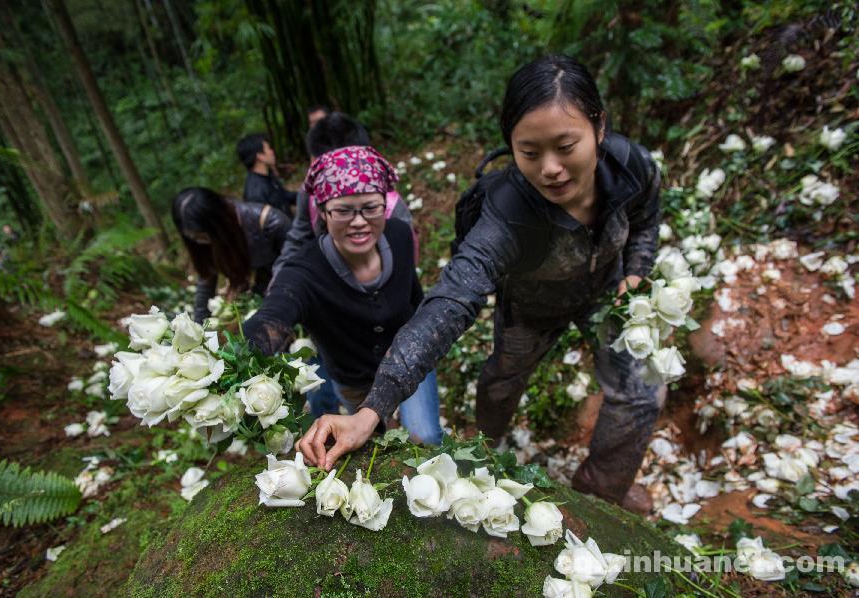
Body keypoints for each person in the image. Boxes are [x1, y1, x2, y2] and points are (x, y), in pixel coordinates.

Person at [297, 54, 663, 514]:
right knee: (501, 383)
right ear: (511, 145)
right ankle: (490, 445)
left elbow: (646, 219)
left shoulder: (632, 167)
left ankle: (603, 488)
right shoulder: (506, 216)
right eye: (529, 152)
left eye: (566, 146)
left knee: (643, 389)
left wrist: (635, 271)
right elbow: (448, 304)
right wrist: (372, 409)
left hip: (609, 294)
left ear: (600, 128)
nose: (550, 168)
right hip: (531, 310)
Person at [242, 146, 443, 445]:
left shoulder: (399, 236)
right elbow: (278, 308)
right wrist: (255, 345)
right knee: (374, 443)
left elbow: (415, 299)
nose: (359, 221)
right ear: (323, 212)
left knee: (424, 437)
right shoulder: (306, 270)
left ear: (384, 205)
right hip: (354, 379)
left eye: (370, 208)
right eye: (344, 210)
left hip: (410, 358)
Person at [272, 111, 416, 278]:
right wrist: (280, 280)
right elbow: (298, 239)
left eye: (369, 208)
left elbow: (405, 269)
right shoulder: (310, 193)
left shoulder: (393, 212)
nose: (358, 221)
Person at [172, 187, 291, 324]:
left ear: (218, 224)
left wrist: (274, 293)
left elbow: (293, 262)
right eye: (194, 238)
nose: (201, 242)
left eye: (202, 236)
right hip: (261, 302)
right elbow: (206, 278)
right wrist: (198, 327)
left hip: (288, 294)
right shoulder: (204, 242)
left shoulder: (270, 222)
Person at [237, 133, 297, 216]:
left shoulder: (268, 176)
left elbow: (284, 196)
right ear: (260, 156)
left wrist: (307, 196)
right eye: (269, 148)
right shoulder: (255, 194)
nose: (272, 151)